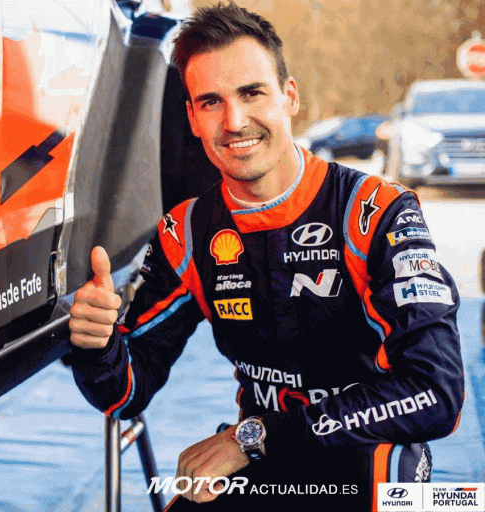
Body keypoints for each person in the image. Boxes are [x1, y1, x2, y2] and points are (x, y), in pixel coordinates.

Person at [67, 2, 465, 510]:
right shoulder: (185, 232)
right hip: (264, 456)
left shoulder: (376, 212)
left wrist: (253, 437)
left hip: (365, 451)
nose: (234, 121)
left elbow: (436, 391)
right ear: (192, 118)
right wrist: (97, 345)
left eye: (251, 92)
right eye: (211, 102)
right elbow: (125, 392)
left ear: (289, 96)